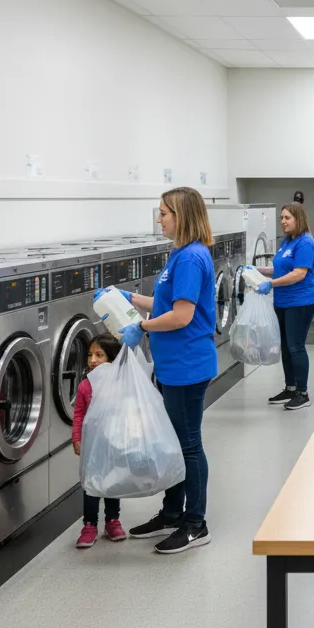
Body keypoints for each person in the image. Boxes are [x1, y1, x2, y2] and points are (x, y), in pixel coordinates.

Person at [118, 186, 217, 554]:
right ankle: (173, 512)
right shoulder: (179, 254)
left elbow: (181, 316)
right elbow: (164, 303)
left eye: (163, 212)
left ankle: (196, 524)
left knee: (188, 445)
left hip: (188, 366)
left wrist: (140, 327)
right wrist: (126, 298)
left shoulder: (191, 258)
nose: (158, 219)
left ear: (181, 215)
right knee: (173, 442)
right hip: (173, 364)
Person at [252, 203, 314, 411]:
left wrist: (270, 283)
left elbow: (299, 273)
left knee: (295, 346)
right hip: (282, 301)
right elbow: (280, 268)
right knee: (285, 346)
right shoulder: (287, 242)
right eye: (281, 217)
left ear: (298, 218)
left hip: (300, 302)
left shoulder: (305, 243)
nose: (283, 221)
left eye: (287, 218)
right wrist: (256, 270)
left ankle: (303, 392)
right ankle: (290, 388)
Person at [71, 333, 126, 549]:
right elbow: (78, 415)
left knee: (113, 482)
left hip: (113, 443)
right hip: (92, 445)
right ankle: (89, 524)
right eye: (90, 355)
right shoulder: (86, 386)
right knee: (91, 485)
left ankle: (112, 521)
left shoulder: (120, 384)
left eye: (99, 355)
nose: (92, 360)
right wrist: (77, 439)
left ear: (112, 360)